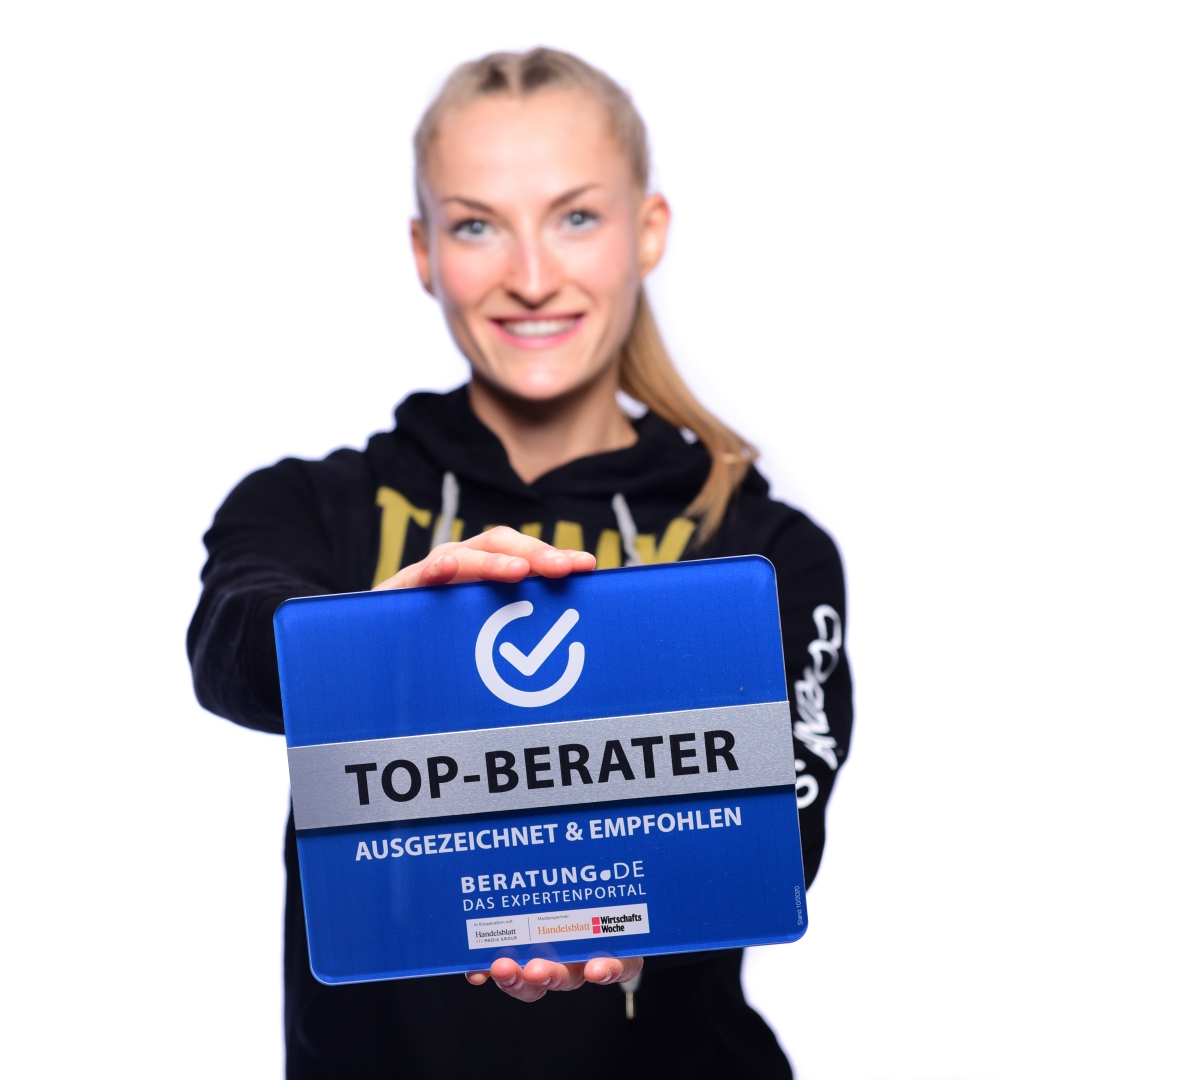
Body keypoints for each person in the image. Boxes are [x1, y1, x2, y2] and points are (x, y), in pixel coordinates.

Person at [188, 47, 853, 1079]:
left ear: (647, 230)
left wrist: (654, 902)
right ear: (423, 250)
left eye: (576, 216)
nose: (532, 277)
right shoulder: (312, 505)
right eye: (476, 225)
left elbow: (776, 839)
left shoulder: (762, 550)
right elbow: (231, 646)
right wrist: (378, 642)